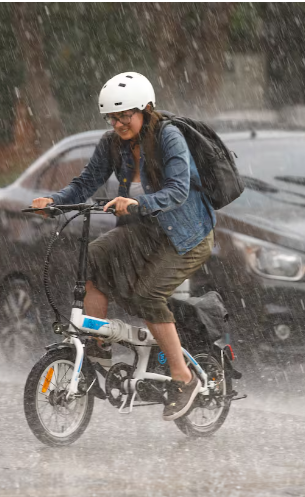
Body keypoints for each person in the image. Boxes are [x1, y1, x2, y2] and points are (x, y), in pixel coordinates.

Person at [31, 71, 215, 421]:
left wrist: (138, 204)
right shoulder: (112, 143)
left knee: (146, 295)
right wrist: (54, 202)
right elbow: (86, 182)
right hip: (144, 232)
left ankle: (183, 376)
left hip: (186, 236)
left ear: (145, 109)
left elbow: (178, 189)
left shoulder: (169, 138)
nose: (117, 124)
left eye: (124, 115)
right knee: (93, 258)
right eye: (111, 117)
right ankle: (98, 350)